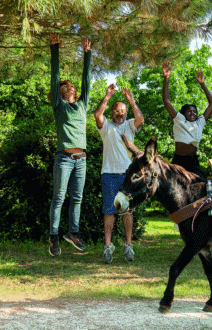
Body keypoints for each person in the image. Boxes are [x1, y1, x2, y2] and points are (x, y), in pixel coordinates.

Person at [48, 33, 92, 257]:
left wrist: (87, 54)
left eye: (70, 87)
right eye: (63, 88)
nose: (68, 88)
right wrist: (54, 49)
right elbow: (54, 77)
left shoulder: (82, 105)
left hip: (81, 160)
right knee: (59, 198)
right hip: (64, 159)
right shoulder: (60, 106)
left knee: (77, 198)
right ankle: (53, 237)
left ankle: (73, 233)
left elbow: (86, 80)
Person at [94, 84, 144, 264]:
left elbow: (140, 119)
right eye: (116, 110)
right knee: (109, 212)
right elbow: (98, 115)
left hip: (128, 176)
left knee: (127, 212)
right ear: (112, 112)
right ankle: (108, 247)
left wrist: (130, 100)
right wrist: (107, 96)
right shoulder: (106, 126)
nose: (120, 113)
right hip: (108, 175)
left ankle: (128, 245)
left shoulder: (130, 125)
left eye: (122, 111)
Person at [161, 62, 212, 179]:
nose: (193, 113)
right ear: (183, 114)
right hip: (178, 160)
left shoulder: (199, 122)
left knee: (202, 183)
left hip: (192, 161)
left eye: (195, 111)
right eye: (189, 111)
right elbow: (166, 101)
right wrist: (166, 78)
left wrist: (202, 84)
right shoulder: (179, 119)